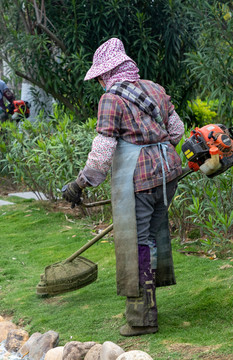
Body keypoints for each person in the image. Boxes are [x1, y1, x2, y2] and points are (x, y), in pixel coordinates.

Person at [61, 38, 185, 337]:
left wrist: (79, 184)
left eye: (101, 76)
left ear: (108, 73)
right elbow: (177, 130)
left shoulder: (111, 100)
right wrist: (160, 154)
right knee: (152, 240)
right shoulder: (154, 88)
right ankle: (149, 307)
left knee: (137, 245)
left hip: (139, 181)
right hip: (168, 175)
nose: (101, 81)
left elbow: (103, 150)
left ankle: (142, 319)